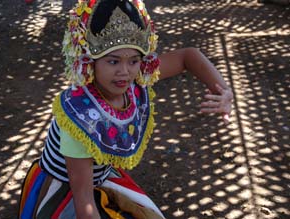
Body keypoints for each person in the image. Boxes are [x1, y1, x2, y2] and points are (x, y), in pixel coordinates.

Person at [18, 0, 233, 218]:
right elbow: (84, 201)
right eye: (113, 62)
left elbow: (189, 56)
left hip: (98, 177)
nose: (125, 72)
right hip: (67, 192)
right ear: (90, 61)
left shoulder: (136, 79)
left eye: (133, 61)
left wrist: (224, 91)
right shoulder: (79, 116)